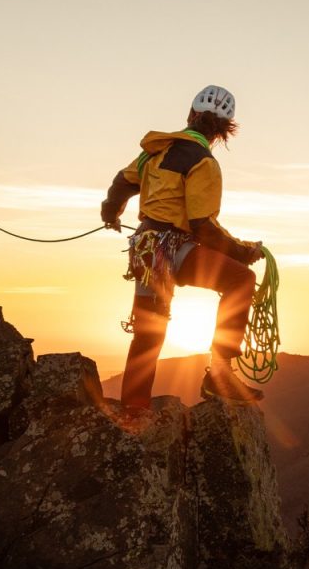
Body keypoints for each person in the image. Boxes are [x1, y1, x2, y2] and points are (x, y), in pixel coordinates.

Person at [102, 84, 264, 409]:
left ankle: (134, 412)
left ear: (191, 114)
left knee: (149, 331)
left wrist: (111, 212)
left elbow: (123, 181)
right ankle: (220, 374)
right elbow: (203, 226)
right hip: (175, 249)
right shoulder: (204, 163)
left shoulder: (156, 150)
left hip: (146, 252)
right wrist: (243, 252)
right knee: (240, 280)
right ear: (223, 133)